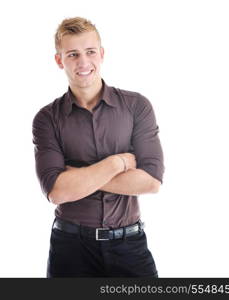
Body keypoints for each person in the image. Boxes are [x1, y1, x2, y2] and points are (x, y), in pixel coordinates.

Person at [32, 17, 165, 278]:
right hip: (70, 248)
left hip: (130, 246)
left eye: (90, 52)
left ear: (101, 54)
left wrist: (79, 177)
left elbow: (151, 182)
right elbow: (57, 192)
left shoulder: (137, 107)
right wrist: (118, 163)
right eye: (73, 54)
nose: (83, 62)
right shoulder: (46, 119)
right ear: (60, 60)